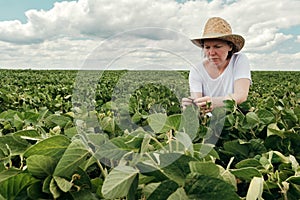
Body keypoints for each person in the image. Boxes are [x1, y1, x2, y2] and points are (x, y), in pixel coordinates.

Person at [182, 17, 251, 113]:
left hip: (233, 116)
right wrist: (192, 106)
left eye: (217, 47)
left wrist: (213, 102)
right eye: (207, 47)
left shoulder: (239, 60)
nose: (211, 52)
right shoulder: (196, 70)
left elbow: (241, 96)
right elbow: (198, 104)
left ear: (230, 47)